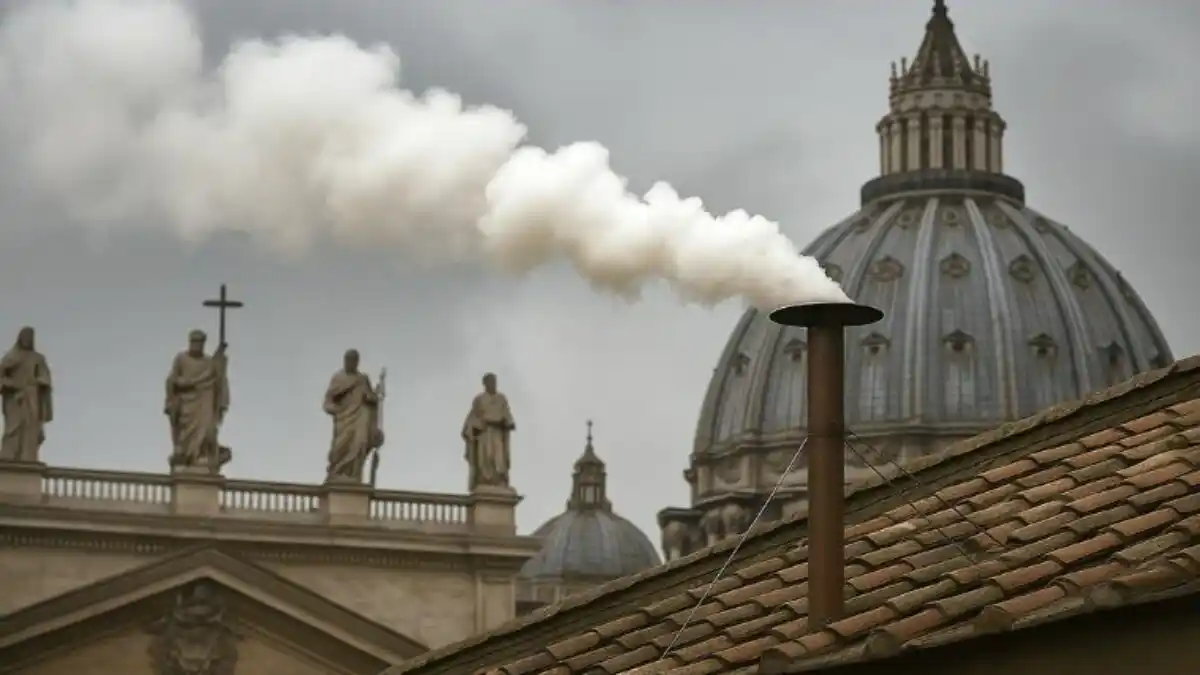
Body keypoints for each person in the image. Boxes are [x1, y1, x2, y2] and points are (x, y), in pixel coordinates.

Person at [164, 329, 230, 470]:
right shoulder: (181, 358)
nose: (196, 345)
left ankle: (201, 454)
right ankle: (187, 455)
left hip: (204, 400)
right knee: (185, 432)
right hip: (186, 402)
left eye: (199, 342)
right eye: (194, 342)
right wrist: (186, 383)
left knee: (206, 429)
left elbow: (216, 375)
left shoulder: (207, 362)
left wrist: (220, 357)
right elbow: (172, 380)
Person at [323, 349, 382, 483]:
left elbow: (369, 397)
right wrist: (336, 410)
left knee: (360, 443)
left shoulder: (362, 379)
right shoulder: (338, 378)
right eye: (349, 360)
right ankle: (337, 472)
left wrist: (375, 396)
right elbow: (327, 402)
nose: (351, 363)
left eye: (354, 361)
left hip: (360, 418)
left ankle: (354, 476)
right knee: (340, 447)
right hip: (344, 418)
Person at [0, 326, 53, 462]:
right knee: (13, 427)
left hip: (31, 395)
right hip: (14, 397)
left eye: (30, 337)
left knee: (31, 427)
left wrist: (37, 382)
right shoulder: (11, 357)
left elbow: (45, 376)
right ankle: (8, 458)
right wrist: (9, 383)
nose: (27, 340)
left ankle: (27, 458)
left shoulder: (38, 358)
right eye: (25, 336)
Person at [460, 372, 515, 490]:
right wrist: (475, 427)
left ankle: (499, 480)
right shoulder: (479, 400)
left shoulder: (501, 399)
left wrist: (507, 422)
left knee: (499, 458)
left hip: (498, 433)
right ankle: (485, 479)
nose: (493, 384)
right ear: (485, 384)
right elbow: (471, 419)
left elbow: (507, 415)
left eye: (494, 382)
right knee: (486, 457)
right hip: (484, 433)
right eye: (490, 382)